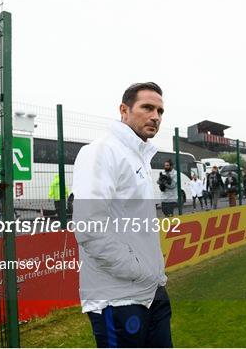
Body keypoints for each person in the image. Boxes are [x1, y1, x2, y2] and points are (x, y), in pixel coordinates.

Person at [72, 82, 172, 348]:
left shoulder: (138, 156)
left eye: (160, 111)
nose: (155, 116)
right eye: (147, 108)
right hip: (117, 299)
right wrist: (139, 271)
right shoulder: (101, 151)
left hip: (151, 292)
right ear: (124, 110)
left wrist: (153, 276)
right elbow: (88, 227)